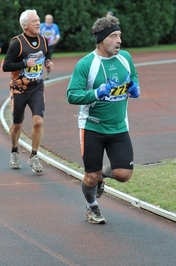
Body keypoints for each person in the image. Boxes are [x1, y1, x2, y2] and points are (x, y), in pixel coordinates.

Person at [66, 16, 140, 224]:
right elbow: (72, 95)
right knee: (90, 176)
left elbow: (133, 76)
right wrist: (97, 93)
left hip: (119, 127)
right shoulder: (87, 64)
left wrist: (135, 87)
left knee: (124, 173)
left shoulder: (125, 58)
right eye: (114, 36)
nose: (119, 41)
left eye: (120, 36)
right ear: (101, 39)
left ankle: (102, 176)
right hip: (92, 128)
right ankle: (92, 207)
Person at [2, 9, 53, 173]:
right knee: (17, 125)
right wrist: (25, 64)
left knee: (38, 122)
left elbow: (47, 52)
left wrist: (48, 63)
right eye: (34, 21)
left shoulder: (44, 40)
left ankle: (34, 155)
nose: (38, 23)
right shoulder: (17, 42)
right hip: (19, 89)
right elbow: (6, 66)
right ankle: (15, 150)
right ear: (25, 26)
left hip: (37, 87)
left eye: (38, 20)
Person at [40, 14, 60, 80]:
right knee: (40, 58)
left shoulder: (55, 26)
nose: (48, 20)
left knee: (48, 59)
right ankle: (39, 72)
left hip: (51, 45)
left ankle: (47, 73)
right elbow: (37, 34)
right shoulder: (41, 26)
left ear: (52, 20)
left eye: (50, 19)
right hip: (42, 45)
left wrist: (55, 41)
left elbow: (57, 35)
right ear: (45, 19)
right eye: (47, 19)